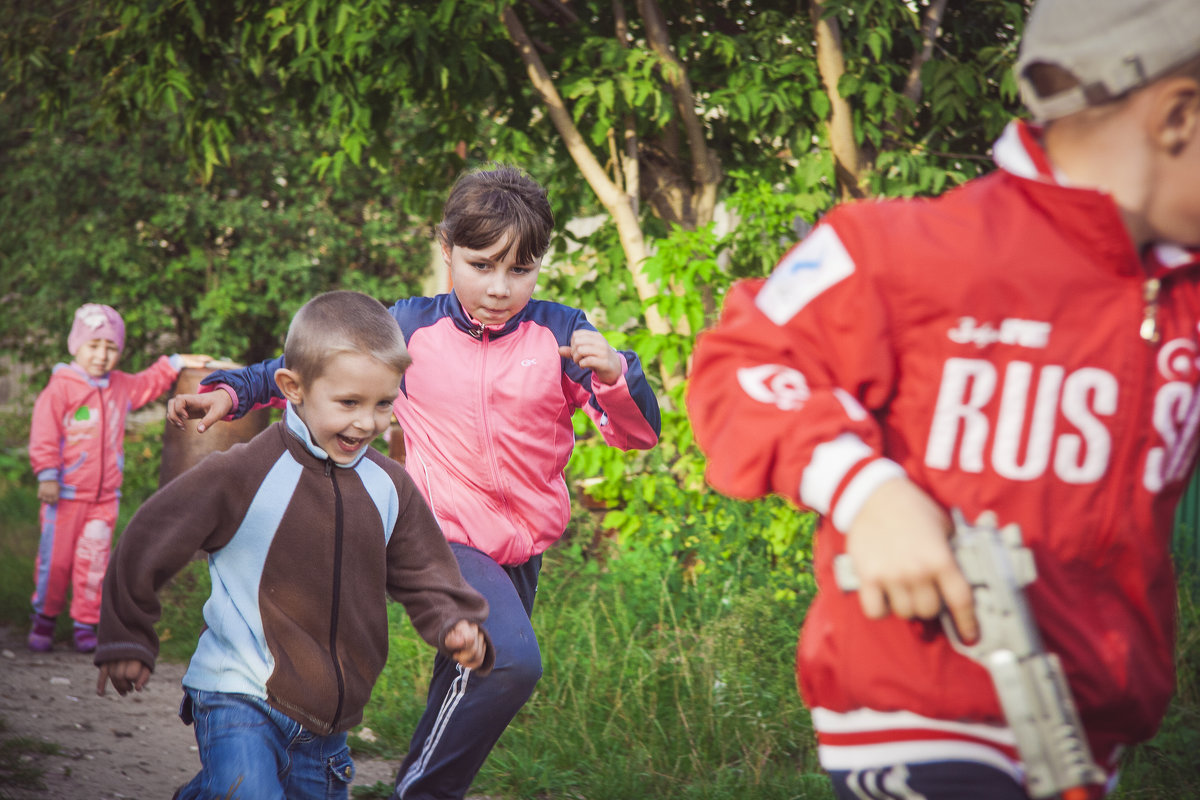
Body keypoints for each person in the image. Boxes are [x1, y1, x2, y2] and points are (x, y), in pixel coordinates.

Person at [687, 0, 1200, 797]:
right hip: (923, 707)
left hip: (1089, 730)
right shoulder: (902, 249)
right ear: (1180, 117)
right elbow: (739, 364)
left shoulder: (1186, 300)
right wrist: (868, 492)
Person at [165, 165, 663, 800]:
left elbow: (636, 434)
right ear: (447, 249)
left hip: (520, 551)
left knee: (462, 683)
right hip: (441, 538)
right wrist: (233, 391)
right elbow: (314, 365)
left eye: (522, 269)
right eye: (482, 265)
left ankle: (214, 792)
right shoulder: (411, 327)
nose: (500, 288)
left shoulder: (561, 334)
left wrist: (621, 378)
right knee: (506, 661)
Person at [94, 290, 493, 800]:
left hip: (329, 724)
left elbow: (425, 569)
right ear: (293, 388)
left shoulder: (390, 487)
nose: (367, 422)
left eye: (383, 404)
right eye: (348, 402)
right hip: (239, 692)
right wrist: (126, 634)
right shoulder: (245, 472)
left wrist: (454, 621)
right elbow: (152, 533)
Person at [27, 302, 208, 654]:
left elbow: (149, 383)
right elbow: (44, 434)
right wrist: (47, 475)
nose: (102, 355)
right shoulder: (60, 389)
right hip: (63, 495)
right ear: (75, 346)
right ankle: (44, 620)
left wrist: (175, 363)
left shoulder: (119, 387)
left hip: (103, 498)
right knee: (57, 561)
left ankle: (85, 624)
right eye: (93, 345)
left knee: (94, 561)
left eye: (111, 347)